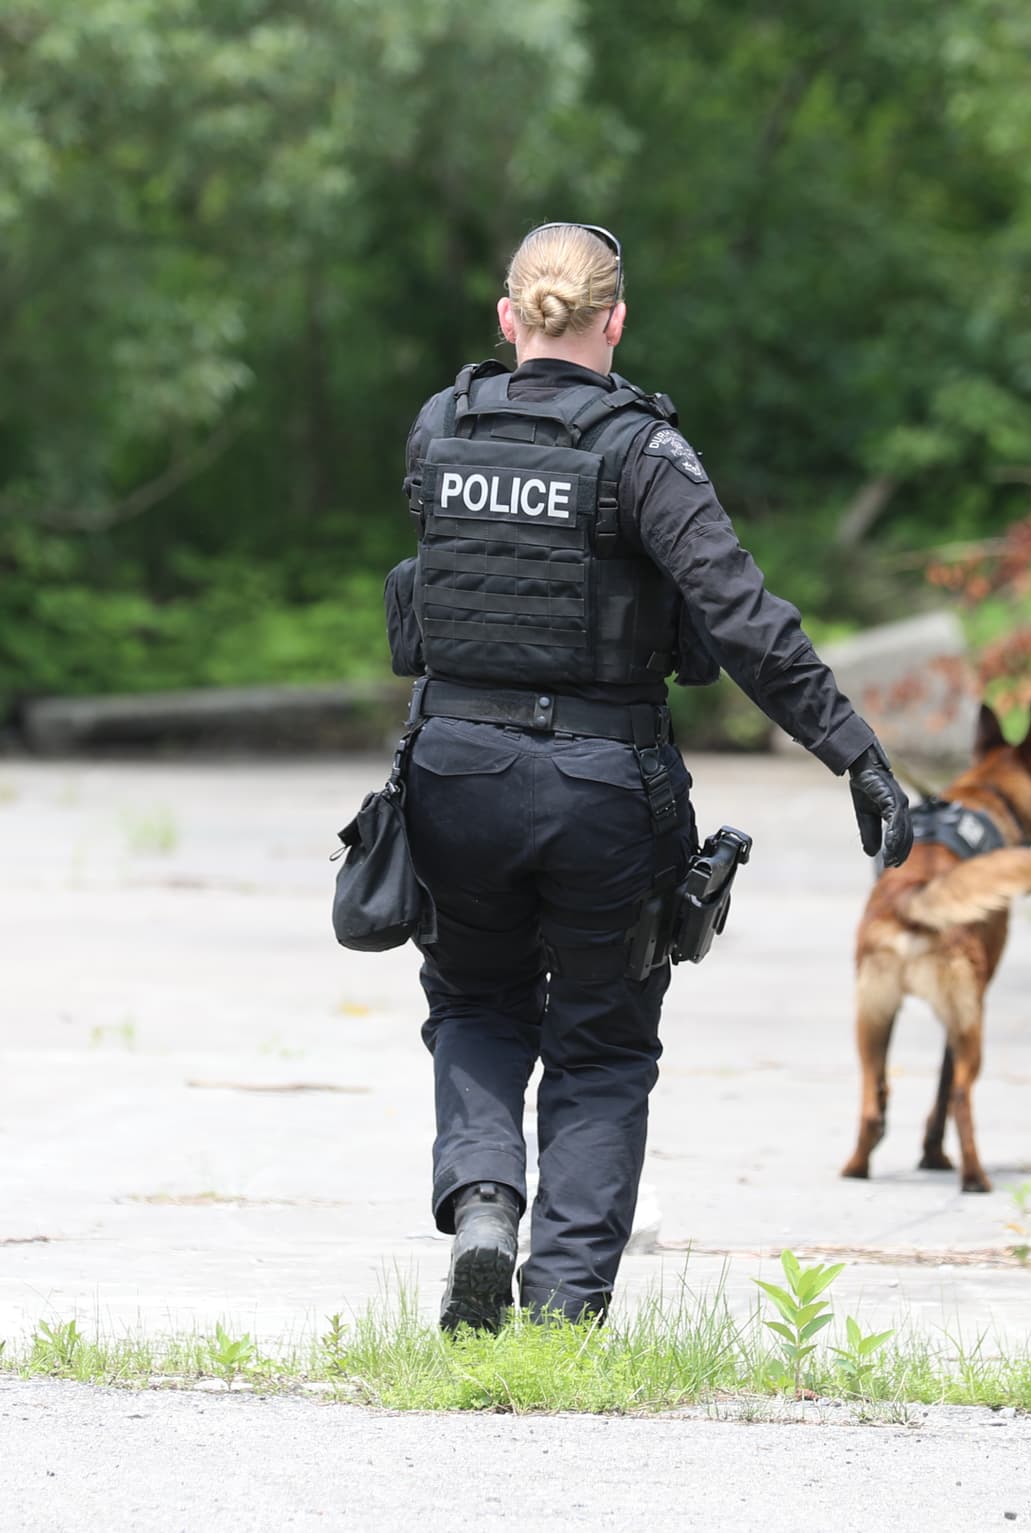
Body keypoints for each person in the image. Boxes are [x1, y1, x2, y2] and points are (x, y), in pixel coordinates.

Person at [387, 222, 912, 1331]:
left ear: (509, 317)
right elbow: (744, 621)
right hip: (600, 785)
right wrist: (854, 752)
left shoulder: (442, 428)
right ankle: (562, 1313)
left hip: (456, 771)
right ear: (615, 321)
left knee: (476, 1002)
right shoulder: (642, 453)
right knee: (603, 1040)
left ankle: (485, 1201)